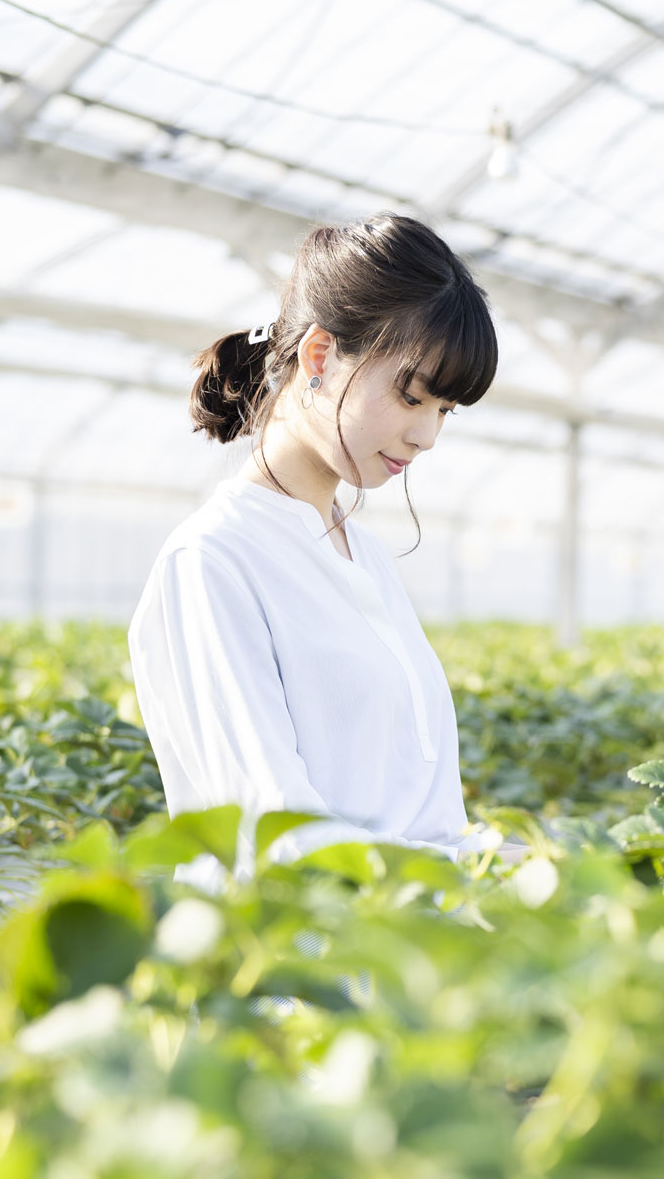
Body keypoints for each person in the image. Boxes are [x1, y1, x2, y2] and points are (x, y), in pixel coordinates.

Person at [127, 212, 514, 893]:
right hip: (298, 979)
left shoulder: (361, 556)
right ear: (318, 357)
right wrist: (465, 870)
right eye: (411, 394)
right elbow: (273, 837)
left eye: (445, 410)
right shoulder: (214, 561)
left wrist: (499, 858)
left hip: (413, 959)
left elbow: (417, 814)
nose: (427, 435)